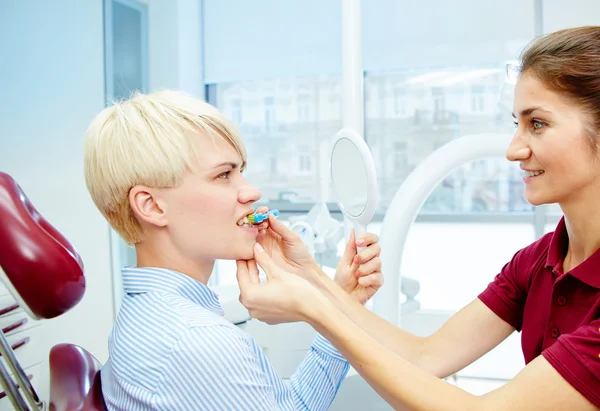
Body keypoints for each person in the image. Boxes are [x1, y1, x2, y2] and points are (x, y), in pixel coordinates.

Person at [236, 26, 600, 410]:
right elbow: (427, 358)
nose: (513, 149)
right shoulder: (539, 261)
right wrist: (309, 279)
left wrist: (314, 308)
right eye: (516, 124)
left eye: (537, 124)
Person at [83, 89, 383, 410]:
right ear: (152, 206)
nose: (252, 191)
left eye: (241, 171)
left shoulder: (146, 314)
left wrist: (341, 300)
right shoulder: (198, 340)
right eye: (224, 174)